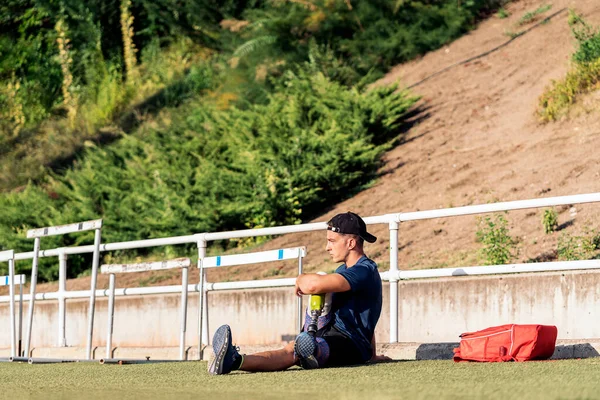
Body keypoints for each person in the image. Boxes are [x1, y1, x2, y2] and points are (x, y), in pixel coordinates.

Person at [208, 211, 388, 375]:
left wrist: (301, 278)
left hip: (350, 345)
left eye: (332, 241)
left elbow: (313, 286)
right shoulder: (345, 270)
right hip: (331, 333)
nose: (327, 247)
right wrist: (372, 355)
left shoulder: (364, 271)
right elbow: (366, 314)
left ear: (350, 243)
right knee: (289, 350)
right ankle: (234, 360)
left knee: (300, 346)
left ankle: (312, 351)